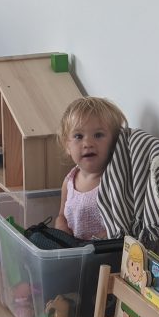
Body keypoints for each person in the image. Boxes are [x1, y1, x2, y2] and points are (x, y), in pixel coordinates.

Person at [53, 96, 128, 240]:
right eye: (78, 136)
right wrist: (62, 232)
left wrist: (94, 243)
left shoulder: (113, 181)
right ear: (67, 145)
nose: (88, 143)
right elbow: (61, 216)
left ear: (113, 142)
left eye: (98, 135)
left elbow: (119, 224)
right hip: (73, 249)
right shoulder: (69, 181)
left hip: (103, 250)